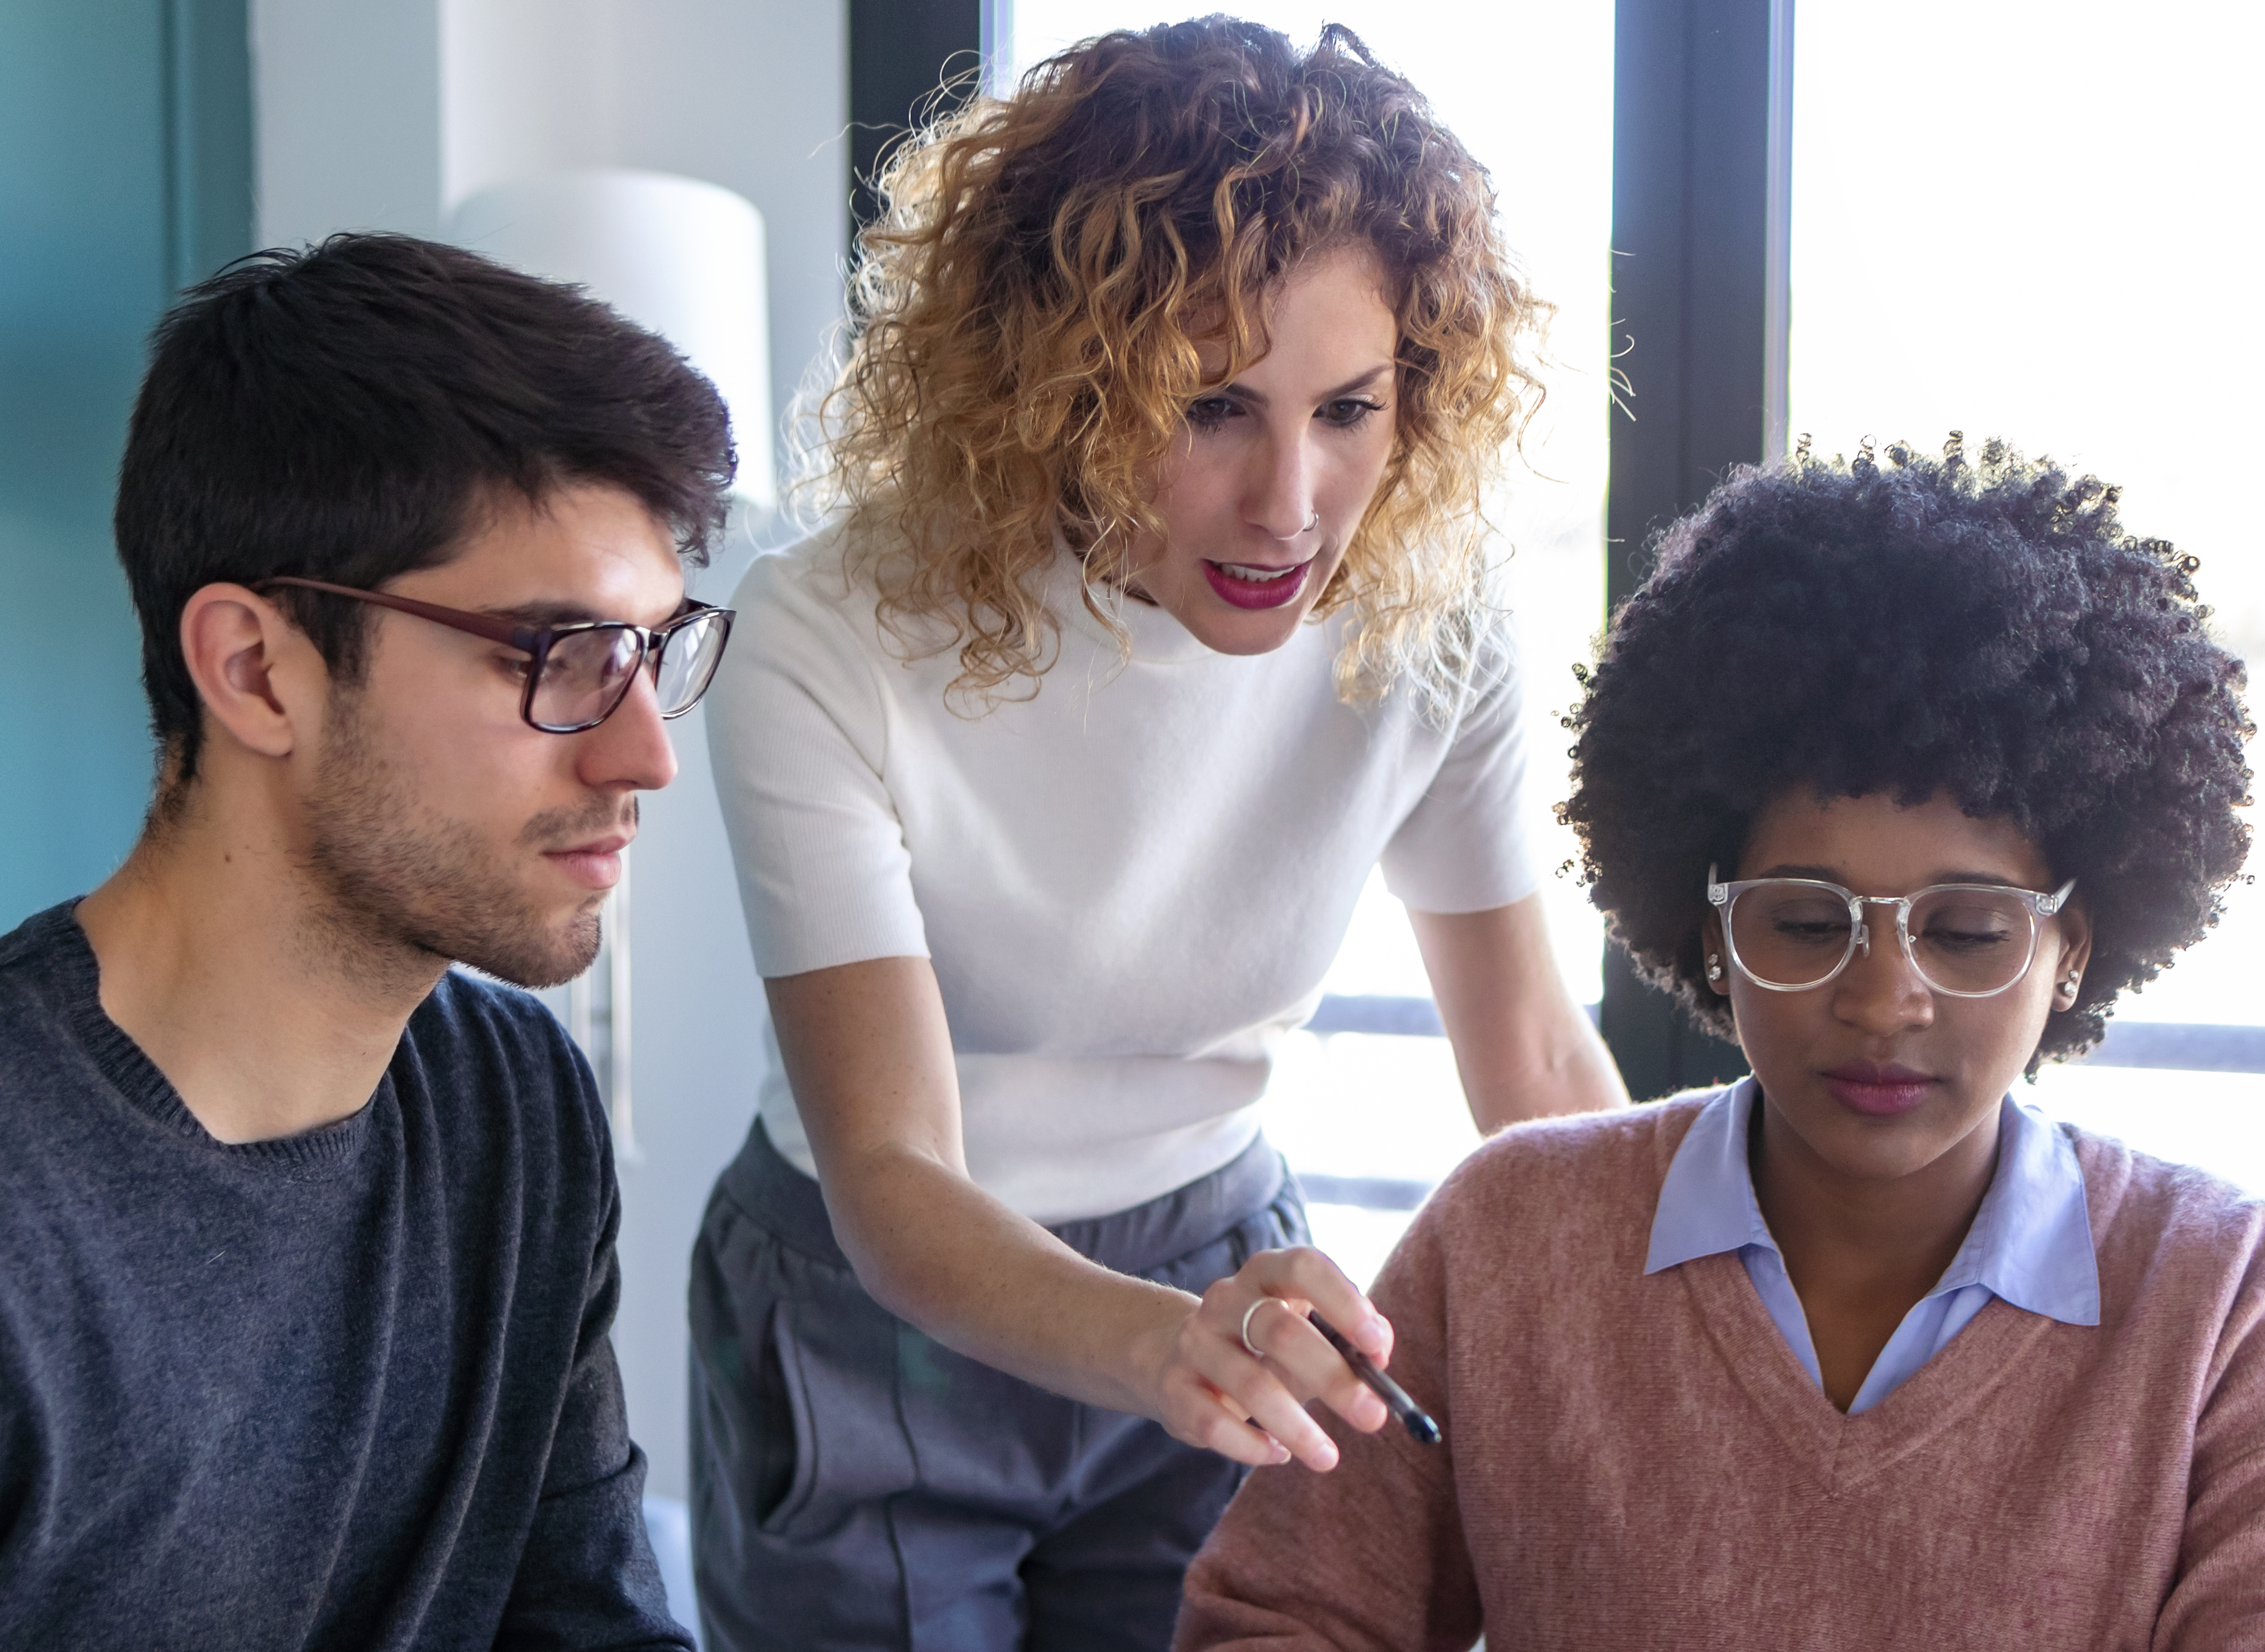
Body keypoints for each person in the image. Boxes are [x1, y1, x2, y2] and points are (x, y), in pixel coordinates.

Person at [689, 18, 1628, 1649]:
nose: (1292, 504)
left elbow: (1538, 1066)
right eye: (1209, 410)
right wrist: (1169, 1343)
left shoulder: (1434, 621)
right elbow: (896, 1170)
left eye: (1350, 408)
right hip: (881, 1309)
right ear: (1053, 385)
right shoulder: (826, 632)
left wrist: (1699, 1356)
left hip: (1221, 1258)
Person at [1177, 437, 2265, 1649]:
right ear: (1706, 925)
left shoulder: (2227, 1306)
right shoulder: (1504, 1241)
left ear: (2074, 950)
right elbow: (1281, 1616)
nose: (1882, 998)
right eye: (1803, 920)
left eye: (1961, 930)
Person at [0, 233, 737, 1648]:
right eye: (555, 654)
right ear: (255, 670)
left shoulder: (514, 1107)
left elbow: (581, 1615)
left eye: (651, 652)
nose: (648, 755)